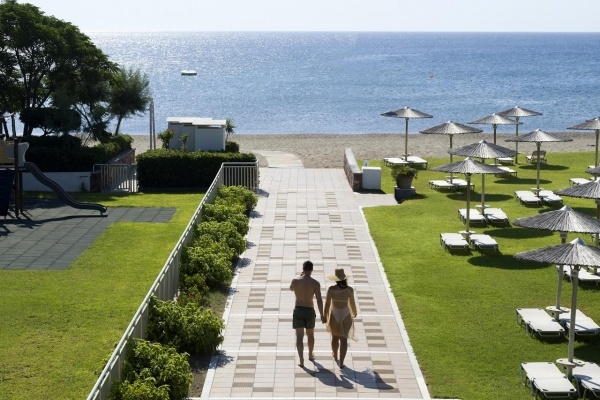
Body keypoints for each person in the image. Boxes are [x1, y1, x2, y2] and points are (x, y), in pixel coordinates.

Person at [289, 260, 326, 367]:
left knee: (299, 337)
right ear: (312, 269)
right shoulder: (315, 283)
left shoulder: (295, 280)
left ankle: (301, 360)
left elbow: (291, 288)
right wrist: (322, 315)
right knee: (310, 335)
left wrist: (300, 276)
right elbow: (319, 300)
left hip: (298, 310)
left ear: (303, 269)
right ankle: (310, 354)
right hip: (309, 310)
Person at [324, 268, 357, 369]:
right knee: (343, 340)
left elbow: (327, 304)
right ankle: (341, 362)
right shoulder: (349, 290)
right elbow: (352, 303)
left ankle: (335, 355)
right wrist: (354, 312)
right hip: (346, 314)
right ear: (345, 279)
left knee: (335, 337)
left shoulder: (331, 289)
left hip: (335, 314)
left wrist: (325, 315)